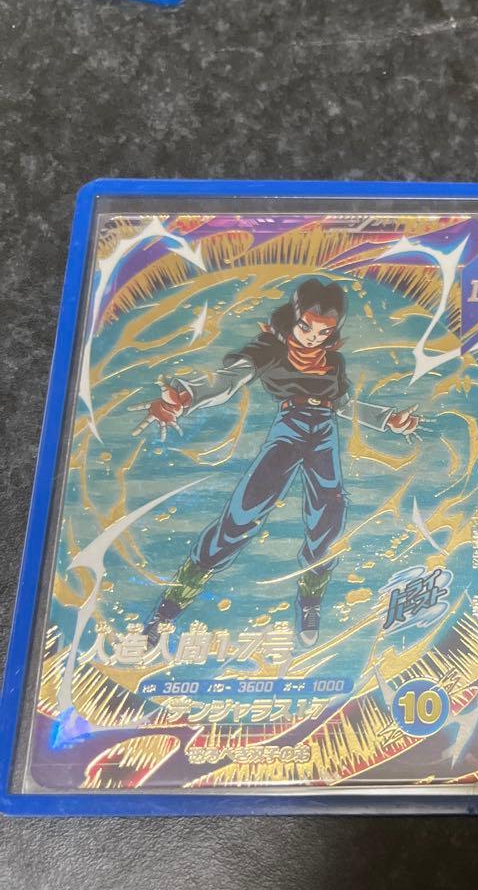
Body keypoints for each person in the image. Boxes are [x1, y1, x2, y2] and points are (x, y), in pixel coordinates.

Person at [133, 278, 419, 650]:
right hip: (290, 428)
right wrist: (187, 397)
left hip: (324, 432)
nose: (313, 338)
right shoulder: (270, 348)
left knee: (329, 519)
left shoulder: (332, 361)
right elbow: (229, 380)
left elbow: (344, 404)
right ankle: (167, 611)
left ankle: (310, 602)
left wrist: (387, 419)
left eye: (324, 332)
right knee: (241, 516)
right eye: (306, 327)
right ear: (294, 317)